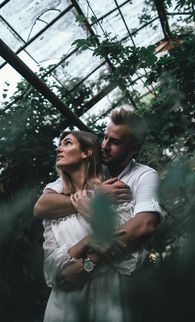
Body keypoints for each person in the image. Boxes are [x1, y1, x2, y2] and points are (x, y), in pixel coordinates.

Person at [34, 108, 161, 321]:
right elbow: (42, 206)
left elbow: (144, 226)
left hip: (111, 290)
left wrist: (88, 264)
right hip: (67, 303)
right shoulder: (90, 168)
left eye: (115, 142)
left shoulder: (143, 175)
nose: (104, 146)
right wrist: (94, 198)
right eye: (104, 137)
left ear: (134, 147)